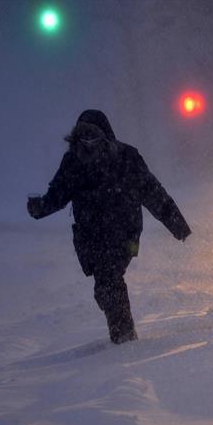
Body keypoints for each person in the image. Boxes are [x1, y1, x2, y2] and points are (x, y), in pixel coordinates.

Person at [27, 109, 191, 344]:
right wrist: (40, 207)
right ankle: (122, 330)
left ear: (105, 135)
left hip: (124, 234)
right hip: (89, 237)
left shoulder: (126, 157)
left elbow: (153, 192)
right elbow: (58, 194)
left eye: (93, 136)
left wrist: (178, 225)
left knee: (109, 279)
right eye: (83, 137)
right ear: (76, 137)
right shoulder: (72, 162)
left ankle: (124, 337)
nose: (88, 142)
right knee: (103, 286)